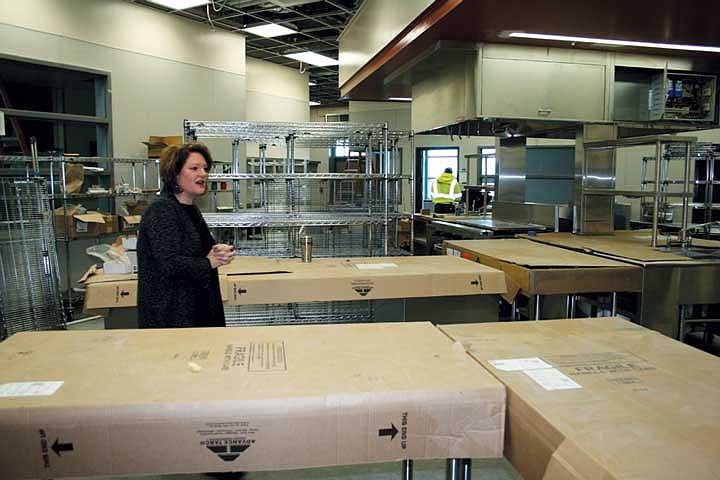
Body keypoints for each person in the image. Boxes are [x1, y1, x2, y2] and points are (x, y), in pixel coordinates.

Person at [137, 141, 234, 329]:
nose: (203, 174)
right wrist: (208, 262)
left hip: (197, 308)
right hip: (172, 315)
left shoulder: (190, 209)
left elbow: (200, 250)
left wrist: (218, 250)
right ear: (174, 174)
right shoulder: (161, 210)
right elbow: (168, 263)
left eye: (205, 168)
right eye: (194, 168)